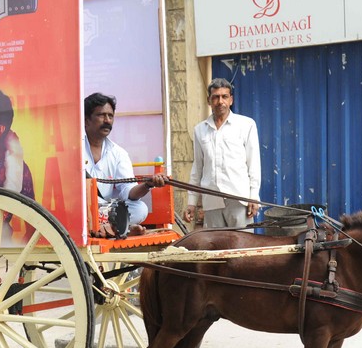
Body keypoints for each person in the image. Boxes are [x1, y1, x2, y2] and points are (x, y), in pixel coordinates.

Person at [83, 92, 167, 237]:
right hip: (81, 211)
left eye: (110, 116)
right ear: (86, 120)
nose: (107, 120)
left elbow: (129, 192)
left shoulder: (118, 153)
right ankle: (119, 227)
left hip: (105, 211)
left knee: (140, 208)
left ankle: (110, 227)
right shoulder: (73, 149)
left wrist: (148, 184)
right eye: (101, 115)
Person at [183, 78, 261, 228]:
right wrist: (191, 203)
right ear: (209, 101)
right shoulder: (200, 130)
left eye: (224, 96)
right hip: (212, 202)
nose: (220, 101)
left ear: (231, 100)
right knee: (215, 248)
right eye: (215, 97)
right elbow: (197, 168)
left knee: (242, 248)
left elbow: (254, 165)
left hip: (239, 199)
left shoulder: (246, 125)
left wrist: (253, 197)